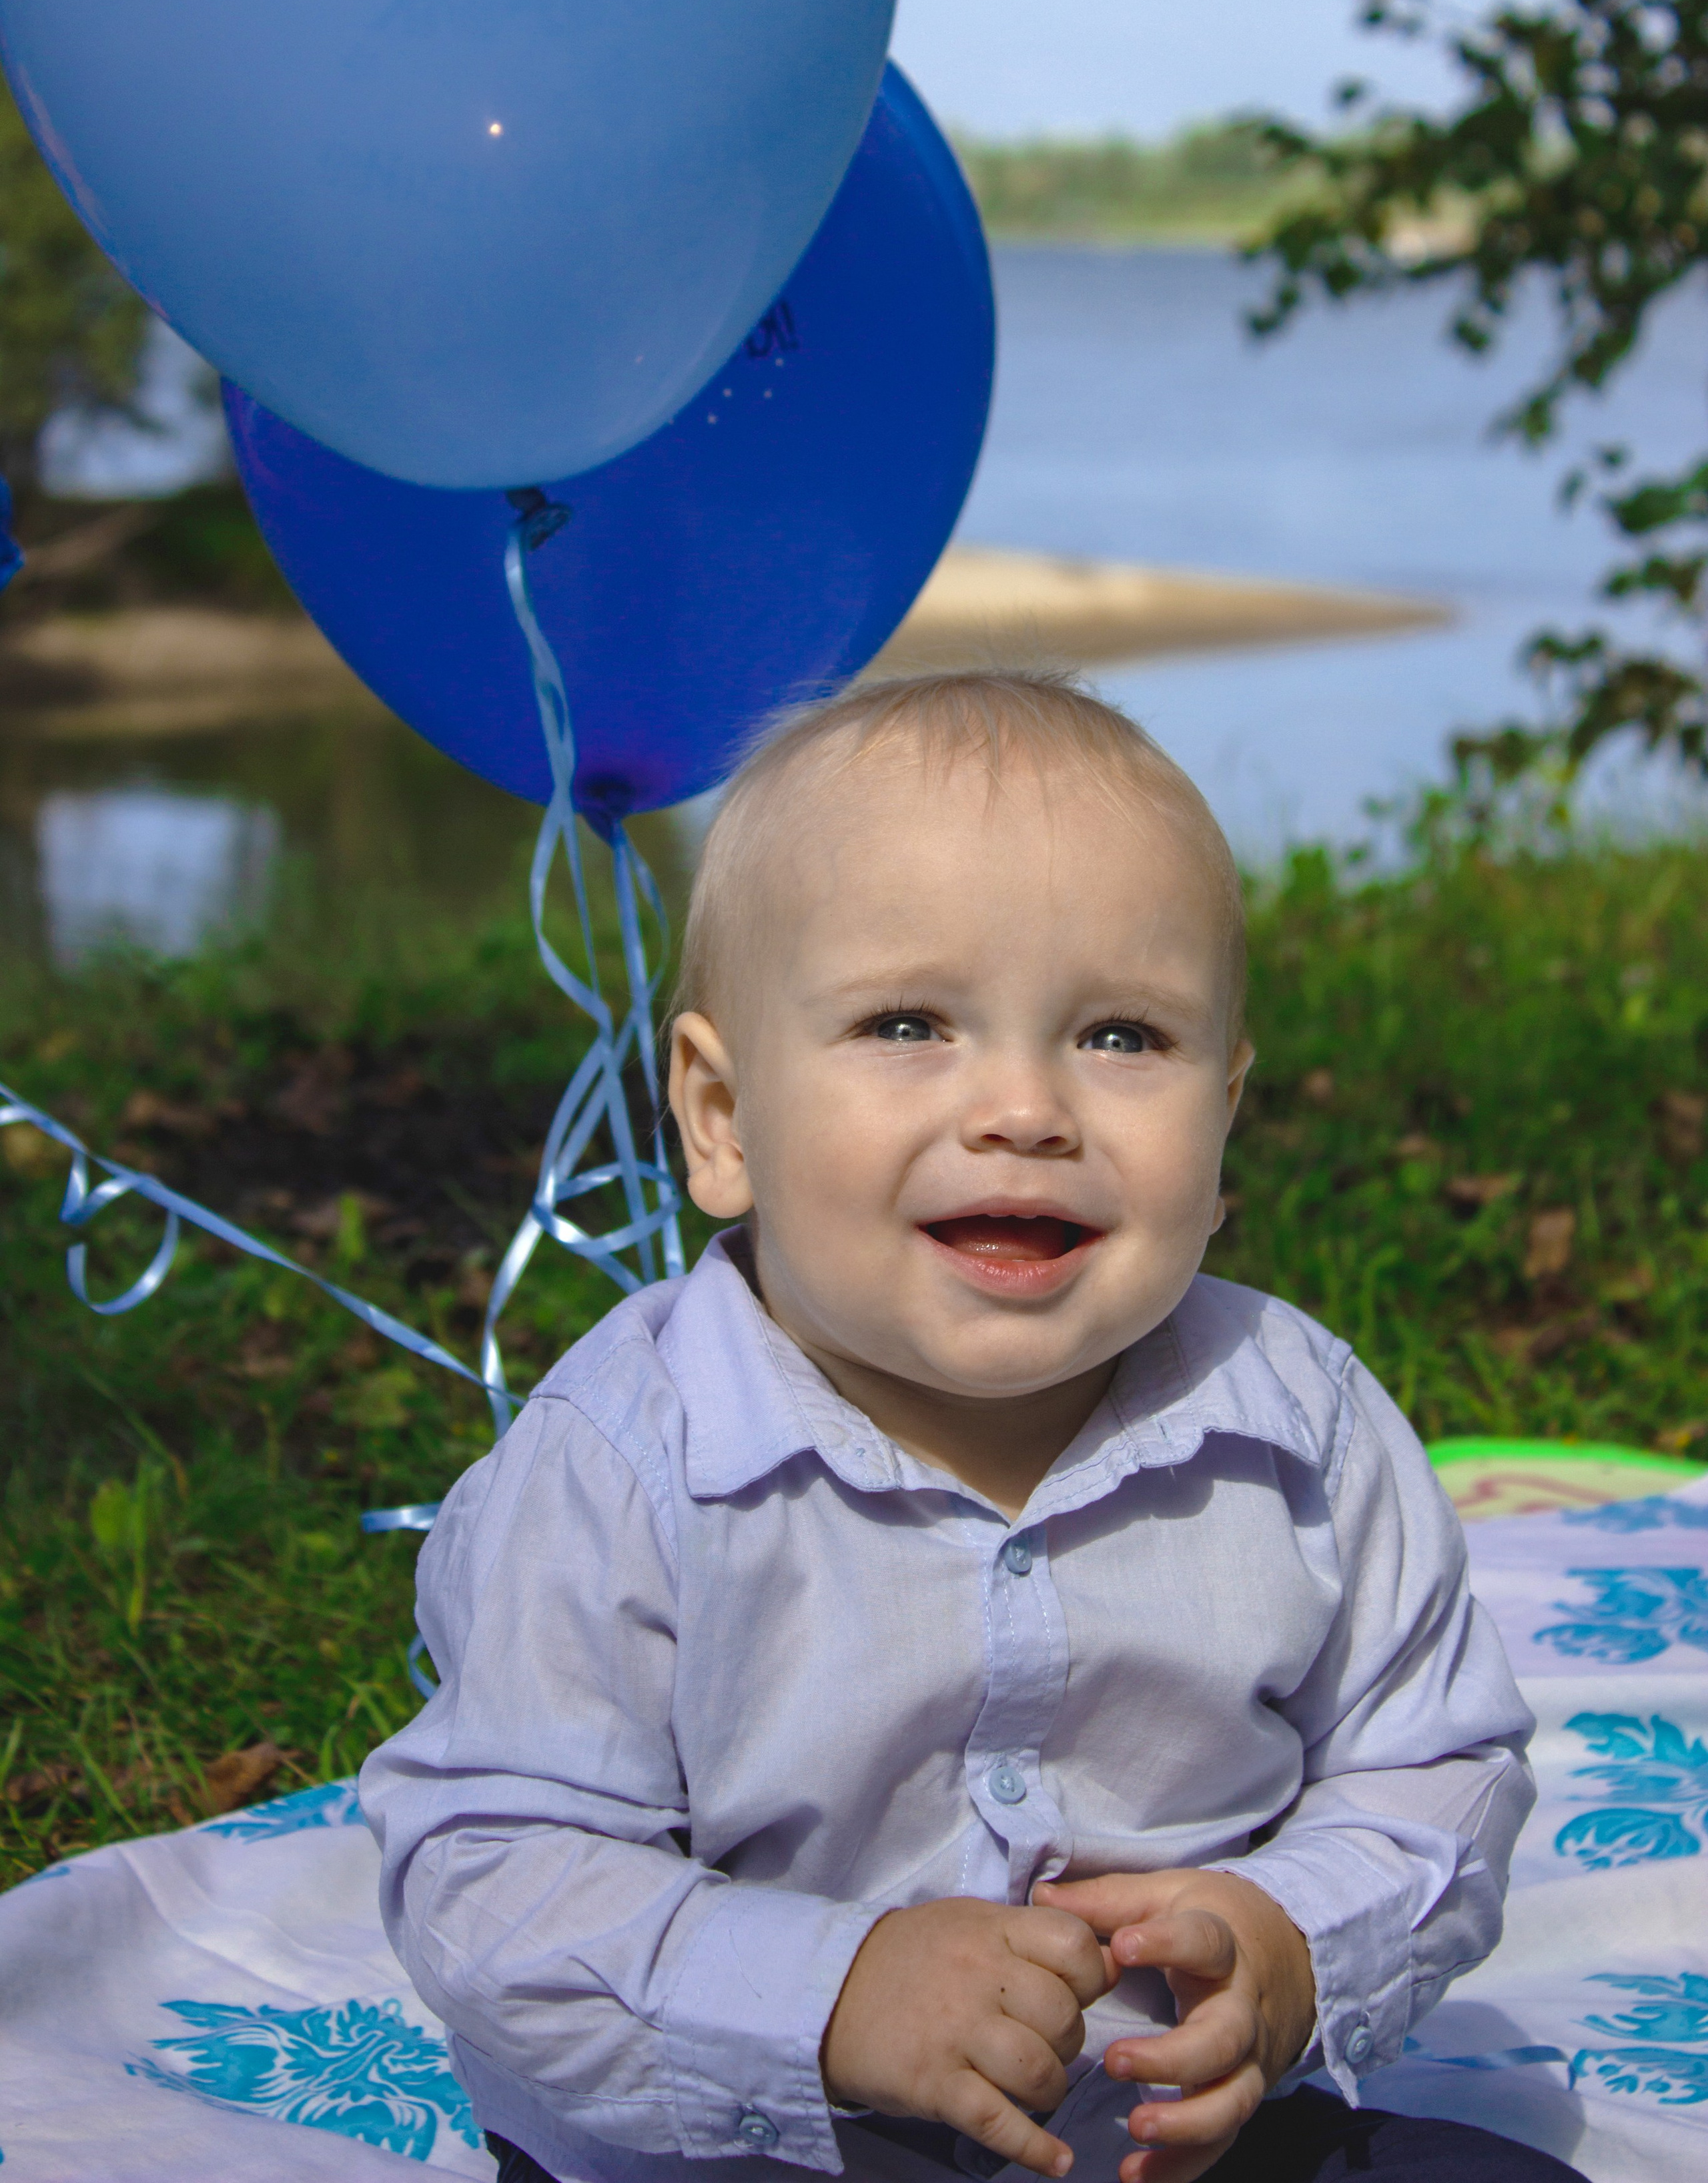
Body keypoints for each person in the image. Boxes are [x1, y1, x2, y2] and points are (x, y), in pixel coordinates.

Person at [362, 672, 1570, 2183]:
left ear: (1225, 1114)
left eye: (1121, 1036)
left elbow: (1435, 1762)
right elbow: (491, 1869)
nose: (1023, 1109)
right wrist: (828, 1996)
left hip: (1163, 2131)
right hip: (755, 2145)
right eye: (907, 1023)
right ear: (723, 1120)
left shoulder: (1296, 1423)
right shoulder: (625, 1461)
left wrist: (1291, 1943)